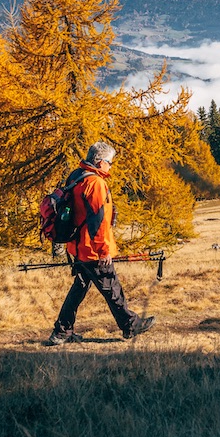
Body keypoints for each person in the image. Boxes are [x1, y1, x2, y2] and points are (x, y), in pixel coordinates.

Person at [46, 141, 154, 345]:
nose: (111, 166)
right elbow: (98, 222)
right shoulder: (95, 183)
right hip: (92, 250)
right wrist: (104, 251)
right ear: (99, 161)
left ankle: (62, 331)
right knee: (112, 288)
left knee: (79, 287)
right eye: (109, 162)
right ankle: (130, 325)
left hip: (77, 247)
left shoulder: (76, 175)